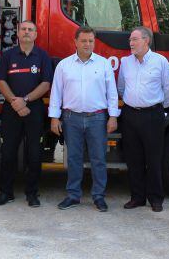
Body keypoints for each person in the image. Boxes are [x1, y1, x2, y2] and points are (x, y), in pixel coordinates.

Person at [49, 26, 119, 212]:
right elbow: (56, 92)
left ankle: (99, 197)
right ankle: (73, 195)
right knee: (73, 158)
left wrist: (113, 116)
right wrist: (54, 117)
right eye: (84, 41)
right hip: (71, 118)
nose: (87, 44)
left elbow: (112, 93)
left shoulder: (103, 64)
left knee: (98, 159)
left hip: (97, 118)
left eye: (91, 41)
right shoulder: (64, 65)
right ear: (75, 42)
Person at [0, 20, 53, 208]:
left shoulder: (43, 56)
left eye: (30, 30)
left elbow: (46, 84)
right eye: (23, 29)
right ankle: (6, 192)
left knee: (34, 154)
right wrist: (16, 103)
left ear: (36, 34)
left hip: (34, 110)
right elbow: (1, 81)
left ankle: (32, 193)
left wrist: (25, 100)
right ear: (17, 33)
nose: (27, 32)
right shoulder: (8, 55)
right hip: (11, 110)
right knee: (8, 153)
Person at [117, 26, 169, 212]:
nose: (131, 43)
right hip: (130, 115)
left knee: (154, 159)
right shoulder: (126, 62)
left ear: (146, 40)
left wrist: (160, 109)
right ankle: (137, 197)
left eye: (134, 39)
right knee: (133, 159)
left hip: (152, 115)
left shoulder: (160, 61)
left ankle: (156, 199)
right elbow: (121, 88)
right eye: (130, 40)